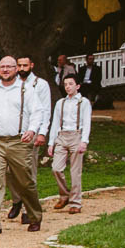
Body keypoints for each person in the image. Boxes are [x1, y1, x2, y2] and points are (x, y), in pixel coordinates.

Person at [0, 55, 45, 235]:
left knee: (24, 182)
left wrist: (33, 130)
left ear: (16, 69)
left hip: (19, 141)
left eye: (9, 67)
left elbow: (37, 112)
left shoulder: (26, 90)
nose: (5, 70)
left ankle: (34, 216)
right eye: (2, 67)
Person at [7, 55, 51, 220]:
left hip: (31, 133)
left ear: (31, 65)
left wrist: (41, 132)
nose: (22, 68)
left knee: (28, 172)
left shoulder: (41, 85)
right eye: (19, 65)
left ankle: (28, 209)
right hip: (12, 134)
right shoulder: (11, 84)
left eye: (25, 65)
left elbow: (45, 110)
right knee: (8, 171)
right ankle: (17, 200)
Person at [47, 73, 92, 213]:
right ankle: (65, 195)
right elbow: (55, 123)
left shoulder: (83, 102)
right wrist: (51, 143)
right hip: (62, 137)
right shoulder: (61, 103)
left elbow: (87, 122)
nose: (68, 87)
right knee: (56, 168)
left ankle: (75, 202)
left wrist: (84, 141)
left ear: (77, 86)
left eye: (71, 84)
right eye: (65, 84)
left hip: (76, 135)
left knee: (75, 172)